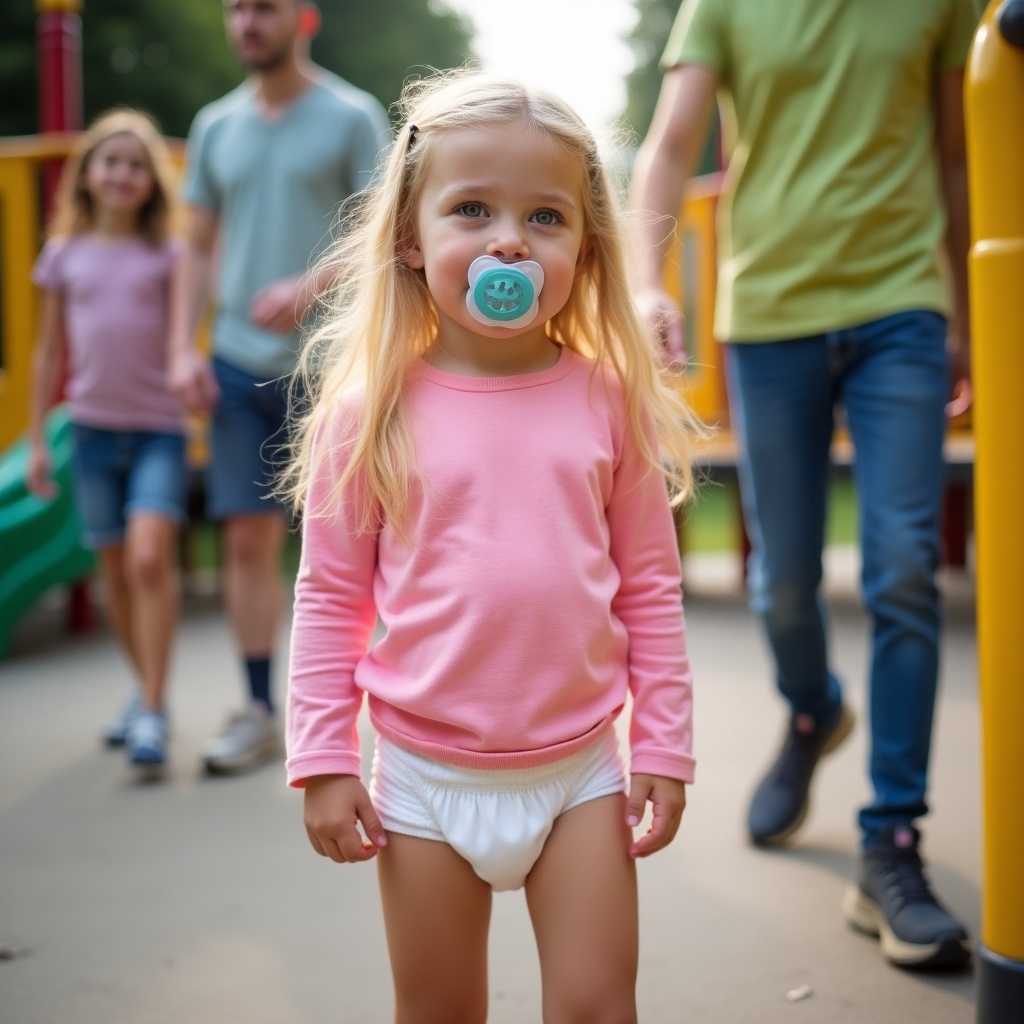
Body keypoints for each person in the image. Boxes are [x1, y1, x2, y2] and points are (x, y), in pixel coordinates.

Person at [284, 72, 703, 1022]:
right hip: (425, 776)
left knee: (599, 1006)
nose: (510, 240)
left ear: (585, 249)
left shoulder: (607, 400)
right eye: (472, 208)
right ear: (410, 235)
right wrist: (322, 758)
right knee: (437, 1009)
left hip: (579, 770)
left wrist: (665, 747)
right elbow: (329, 598)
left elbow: (650, 587)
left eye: (545, 217)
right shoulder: (372, 411)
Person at [631, 0, 977, 970]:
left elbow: (951, 152)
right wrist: (646, 279)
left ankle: (891, 837)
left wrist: (957, 301)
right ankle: (812, 708)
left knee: (903, 564)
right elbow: (666, 147)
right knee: (781, 581)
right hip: (770, 311)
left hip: (901, 304)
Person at [169, 0, 389, 775]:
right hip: (233, 360)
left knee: (355, 543)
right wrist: (180, 349)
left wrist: (311, 283)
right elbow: (195, 246)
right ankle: (262, 709)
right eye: (234, 9)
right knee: (245, 536)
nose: (245, 23)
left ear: (303, 17)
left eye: (261, 8)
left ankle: (377, 710)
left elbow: (384, 230)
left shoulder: (352, 115)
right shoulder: (213, 126)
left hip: (333, 367)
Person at [27, 110, 186, 777]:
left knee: (150, 559)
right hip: (90, 433)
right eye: (110, 161)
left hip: (158, 431)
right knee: (116, 572)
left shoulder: (169, 255)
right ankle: (144, 688)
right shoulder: (64, 254)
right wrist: (37, 441)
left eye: (135, 164)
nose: (122, 173)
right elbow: (45, 354)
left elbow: (181, 338)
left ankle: (151, 709)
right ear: (87, 173)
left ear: (152, 181)